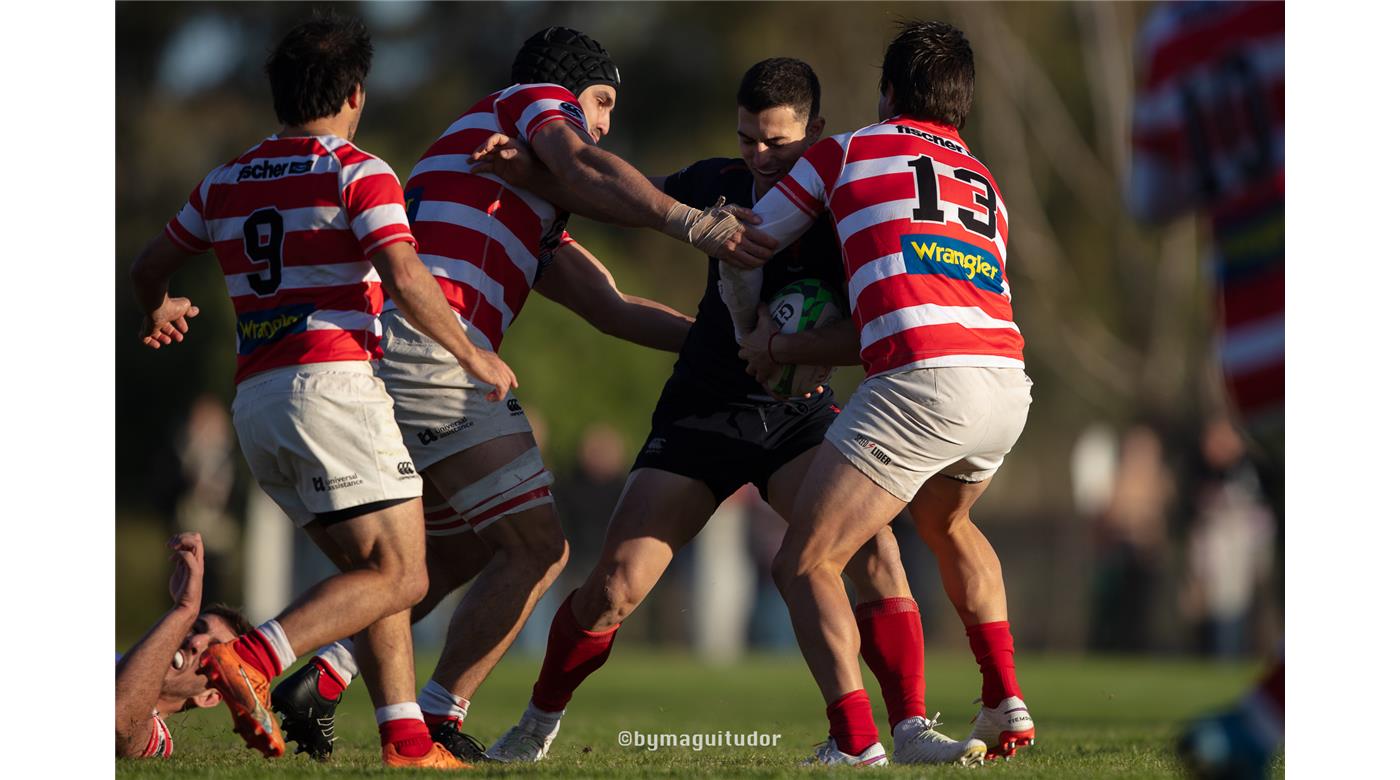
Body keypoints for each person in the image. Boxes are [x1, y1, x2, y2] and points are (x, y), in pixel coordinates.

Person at [472, 56, 979, 767]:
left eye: (778, 142)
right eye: (748, 139)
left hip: (798, 416)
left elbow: (871, 335)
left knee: (875, 553)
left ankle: (904, 728)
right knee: (615, 587)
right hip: (704, 410)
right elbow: (629, 198)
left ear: (819, 131)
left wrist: (788, 347)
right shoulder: (720, 183)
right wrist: (532, 176)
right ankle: (536, 722)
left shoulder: (851, 206)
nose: (761, 157)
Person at [270, 26, 697, 763]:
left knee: (456, 547)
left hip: (394, 348)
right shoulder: (529, 98)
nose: (603, 121)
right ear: (561, 92)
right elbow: (584, 162)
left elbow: (613, 307)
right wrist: (688, 222)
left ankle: (323, 674)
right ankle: (432, 713)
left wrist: (728, 345)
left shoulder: (518, 199)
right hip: (431, 348)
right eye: (599, 102)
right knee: (539, 547)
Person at [127, 13, 511, 768]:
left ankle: (406, 741)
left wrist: (159, 310)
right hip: (332, 384)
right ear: (355, 94)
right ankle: (259, 661)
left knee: (373, 576)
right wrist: (472, 353)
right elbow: (404, 273)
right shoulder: (357, 170)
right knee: (406, 572)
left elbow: (149, 265)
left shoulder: (225, 179)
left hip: (258, 405)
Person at [702, 21, 1035, 766]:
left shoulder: (848, 149)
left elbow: (752, 236)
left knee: (804, 562)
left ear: (887, 93)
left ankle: (855, 744)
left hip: (922, 379)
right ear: (961, 106)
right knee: (948, 526)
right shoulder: (986, 182)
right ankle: (1004, 699)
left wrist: (753, 330)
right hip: (1007, 382)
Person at [1125, 2, 1284, 776]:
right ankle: (1259, 721)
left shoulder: (1171, 32)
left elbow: (1150, 196)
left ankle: (1260, 719)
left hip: (1255, 348)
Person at [116, 532, 253, 758]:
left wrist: (186, 608)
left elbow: (119, 719)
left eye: (214, 651)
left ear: (208, 697)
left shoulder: (158, 739)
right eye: (196, 627)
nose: (196, 641)